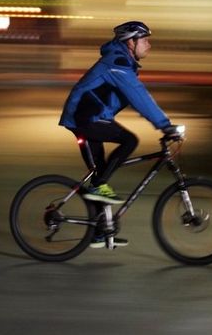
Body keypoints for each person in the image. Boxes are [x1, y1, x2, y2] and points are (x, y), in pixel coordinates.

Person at [59, 21, 178, 247]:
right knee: (129, 140)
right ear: (130, 42)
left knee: (99, 176)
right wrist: (165, 125)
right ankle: (98, 190)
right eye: (145, 40)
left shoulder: (123, 64)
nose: (149, 45)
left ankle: (99, 232)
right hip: (83, 119)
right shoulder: (117, 63)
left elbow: (132, 98)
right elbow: (139, 96)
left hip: (92, 119)